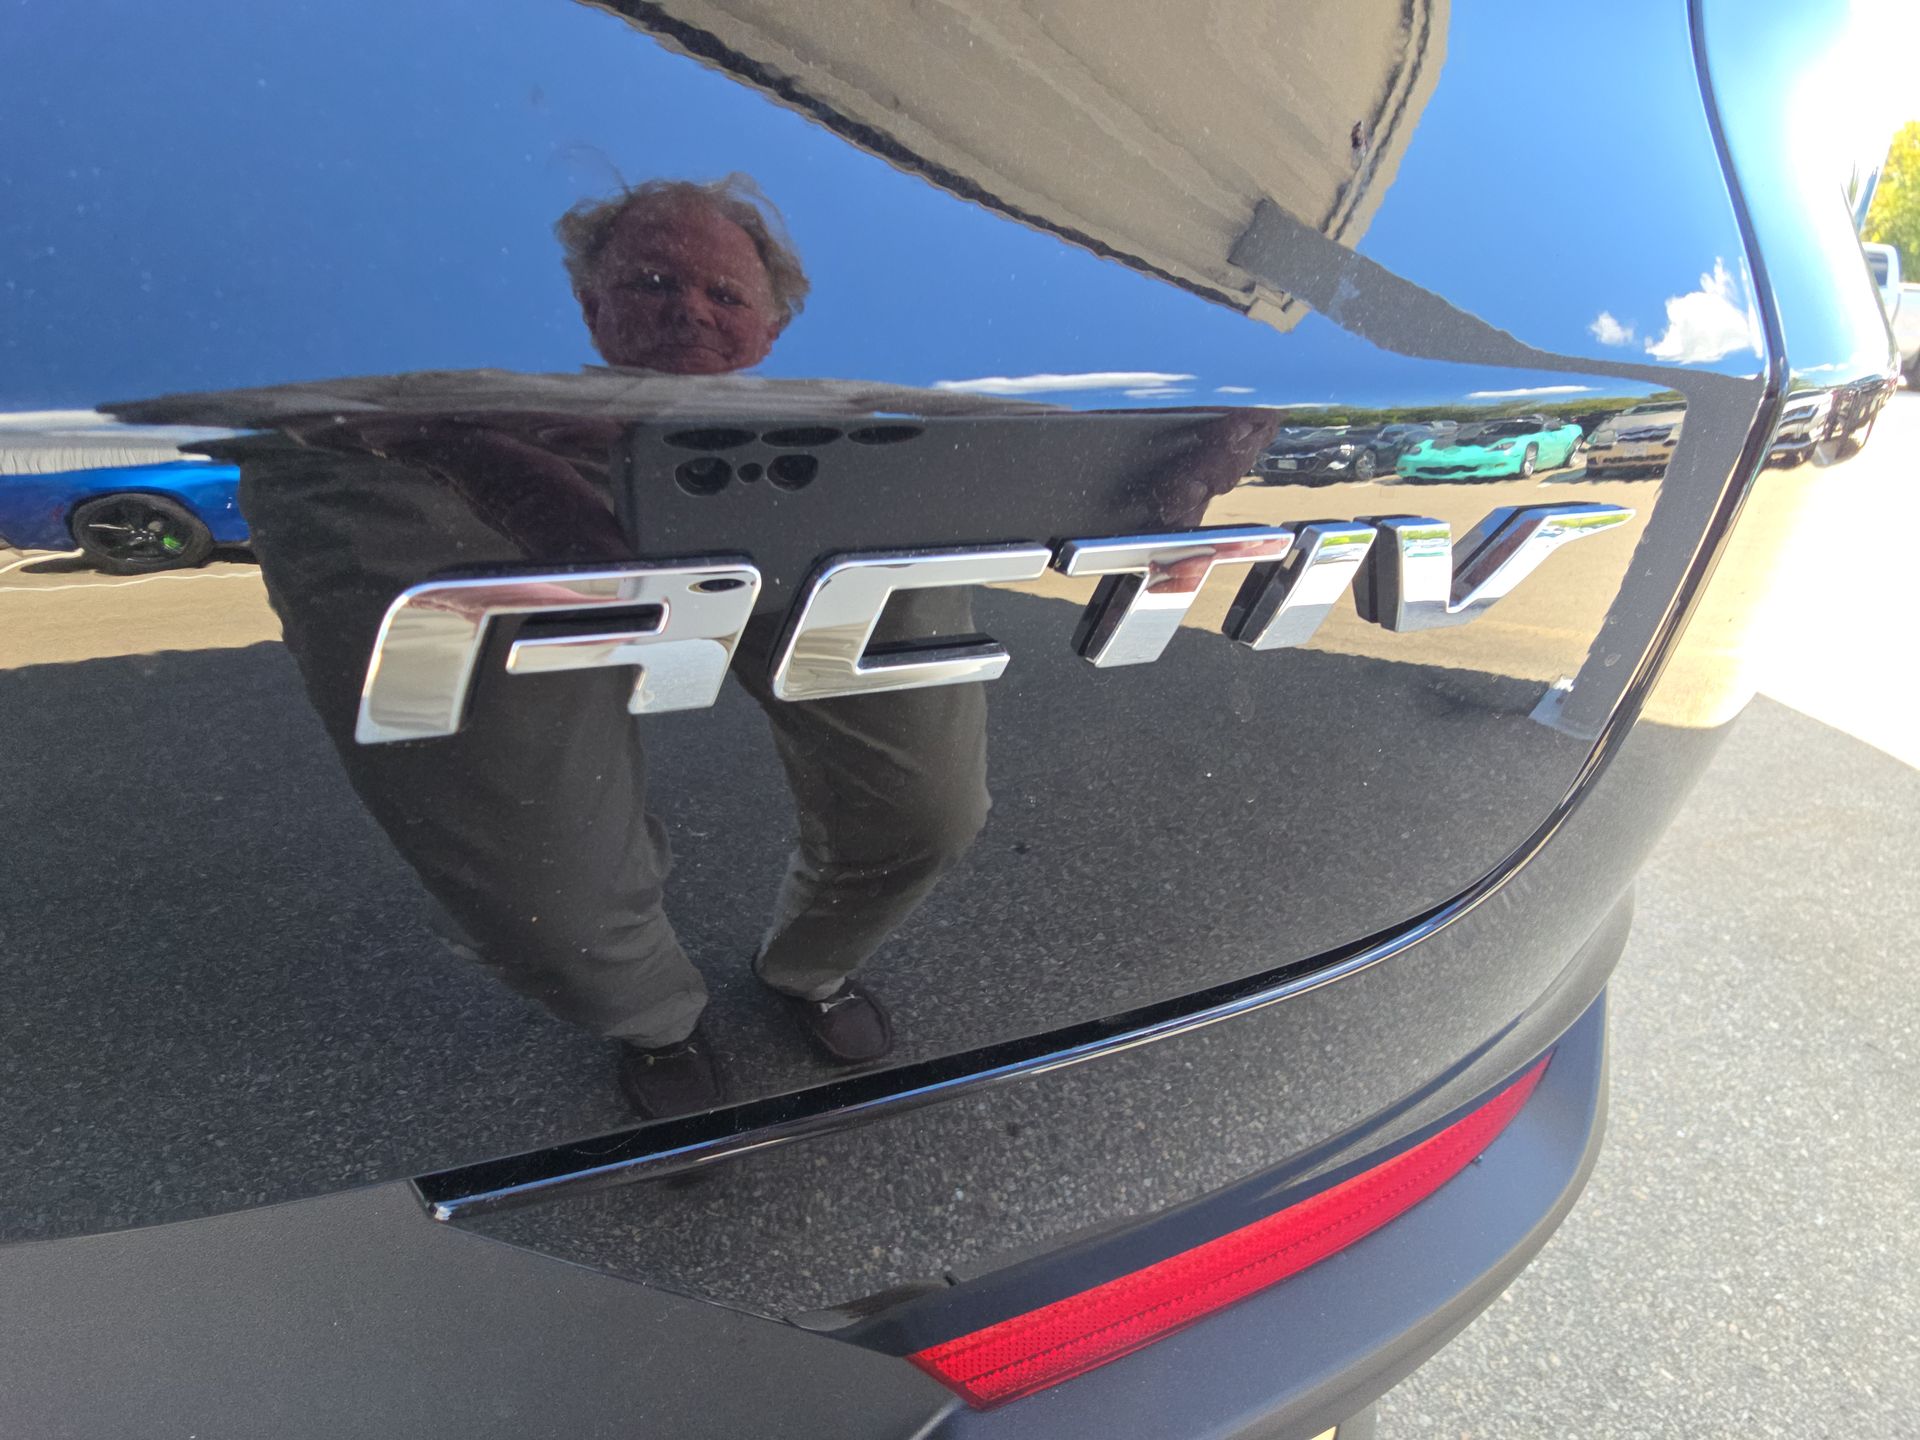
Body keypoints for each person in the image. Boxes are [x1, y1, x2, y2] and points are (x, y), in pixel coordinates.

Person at [236, 177, 992, 1120]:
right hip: (465, 447)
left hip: (794, 464)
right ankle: (652, 1020)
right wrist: (463, 447)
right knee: (538, 883)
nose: (690, 310)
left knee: (929, 806)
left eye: (725, 294)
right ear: (590, 309)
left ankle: (813, 966)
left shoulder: (838, 406)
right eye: (652, 283)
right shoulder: (458, 389)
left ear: (769, 332)